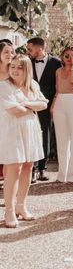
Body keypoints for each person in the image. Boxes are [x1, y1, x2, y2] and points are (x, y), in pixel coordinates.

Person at [0, 55, 48, 227]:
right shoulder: (4, 86)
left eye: (18, 67)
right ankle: (9, 210)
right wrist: (31, 105)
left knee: (28, 165)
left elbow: (44, 103)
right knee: (14, 167)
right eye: (12, 66)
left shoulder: (33, 85)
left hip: (30, 129)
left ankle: (21, 206)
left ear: (26, 69)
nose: (14, 70)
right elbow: (14, 110)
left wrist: (26, 103)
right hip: (12, 130)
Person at [27, 37, 62, 182]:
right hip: (30, 104)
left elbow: (59, 86)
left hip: (47, 105)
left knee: (45, 136)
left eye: (30, 48)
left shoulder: (56, 63)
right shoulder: (27, 62)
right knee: (31, 136)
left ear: (39, 48)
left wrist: (54, 104)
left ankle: (42, 169)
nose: (28, 51)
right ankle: (32, 170)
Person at [52, 47, 73, 183]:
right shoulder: (58, 71)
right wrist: (53, 105)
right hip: (60, 102)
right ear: (62, 56)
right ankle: (62, 174)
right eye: (67, 55)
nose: (69, 57)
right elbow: (57, 89)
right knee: (61, 139)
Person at [0, 41, 15, 184]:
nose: (9, 55)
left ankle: (8, 184)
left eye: (11, 52)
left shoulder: (15, 71)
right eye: (6, 52)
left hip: (12, 116)